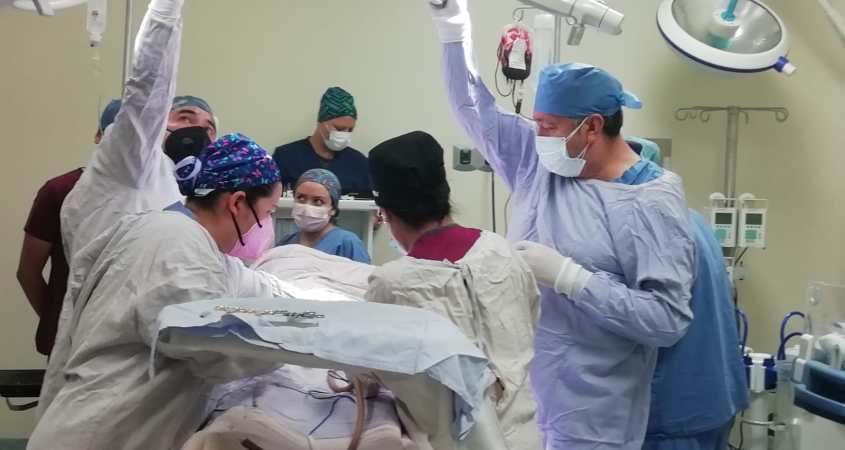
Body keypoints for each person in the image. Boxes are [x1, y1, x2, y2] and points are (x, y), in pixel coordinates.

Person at [424, 2, 695, 449]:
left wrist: (572, 278)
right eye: (537, 123)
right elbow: (473, 108)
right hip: (524, 398)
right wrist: (452, 27)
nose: (538, 135)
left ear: (592, 127)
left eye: (549, 126)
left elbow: (667, 319)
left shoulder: (650, 200)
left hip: (595, 417)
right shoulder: (539, 163)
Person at [39, 0, 287, 422]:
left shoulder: (179, 201)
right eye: (184, 117)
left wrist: (294, 296)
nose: (197, 131)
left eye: (208, 128)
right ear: (159, 123)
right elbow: (147, 87)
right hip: (108, 379)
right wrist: (167, 9)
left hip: (146, 380)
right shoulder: (130, 165)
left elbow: (225, 273)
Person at [26, 133, 285, 450]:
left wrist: (285, 299)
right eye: (268, 213)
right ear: (237, 203)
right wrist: (293, 341)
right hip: (100, 434)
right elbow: (210, 350)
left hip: (95, 422)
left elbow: (238, 279)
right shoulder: (180, 245)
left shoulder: (162, 229)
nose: (265, 225)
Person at [365, 131, 542, 450]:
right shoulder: (501, 250)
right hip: (527, 437)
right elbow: (529, 323)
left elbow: (370, 369)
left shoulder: (391, 283)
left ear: (387, 214)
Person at [629, 139, 749, 450]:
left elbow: (648, 318)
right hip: (713, 401)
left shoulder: (650, 226)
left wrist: (570, 279)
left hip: (673, 416)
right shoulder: (692, 219)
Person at [15, 99, 120, 357]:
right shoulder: (60, 191)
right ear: (99, 136)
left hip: (129, 341)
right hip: (69, 342)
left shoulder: (164, 196)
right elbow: (28, 272)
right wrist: (58, 323)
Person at [273, 87, 372, 197]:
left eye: (350, 130)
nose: (345, 134)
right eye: (339, 129)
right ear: (321, 122)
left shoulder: (359, 163)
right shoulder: (286, 157)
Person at [277, 168, 371, 263]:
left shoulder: (347, 243)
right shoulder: (286, 244)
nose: (307, 207)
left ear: (333, 209)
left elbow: (363, 271)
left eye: (318, 201)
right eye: (301, 198)